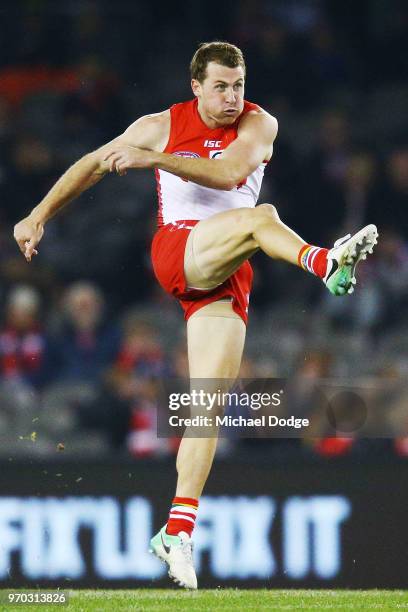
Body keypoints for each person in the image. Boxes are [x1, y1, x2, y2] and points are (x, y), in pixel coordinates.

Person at [13, 41, 378, 589]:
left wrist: (154, 160)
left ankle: (177, 529)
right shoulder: (160, 123)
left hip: (226, 267)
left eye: (239, 85)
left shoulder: (260, 125)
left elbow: (230, 174)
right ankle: (326, 263)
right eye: (221, 87)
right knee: (264, 216)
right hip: (178, 250)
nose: (233, 97)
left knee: (206, 404)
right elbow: (93, 165)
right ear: (196, 87)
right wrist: (38, 215)